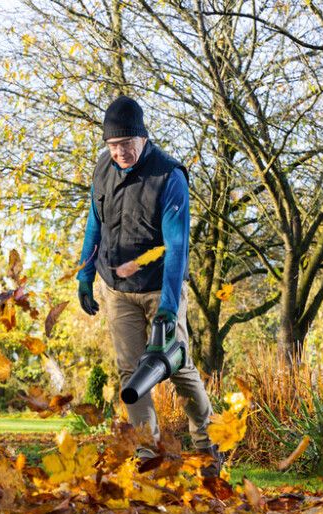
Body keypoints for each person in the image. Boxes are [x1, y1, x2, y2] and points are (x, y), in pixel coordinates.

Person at [76, 95, 224, 477]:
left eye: (127, 144)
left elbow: (178, 247)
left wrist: (169, 306)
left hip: (162, 286)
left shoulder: (168, 177)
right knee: (130, 371)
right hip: (117, 289)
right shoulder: (102, 169)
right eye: (113, 145)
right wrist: (85, 273)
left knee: (175, 365)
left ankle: (207, 443)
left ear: (143, 137)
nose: (120, 152)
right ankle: (148, 455)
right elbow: (95, 224)